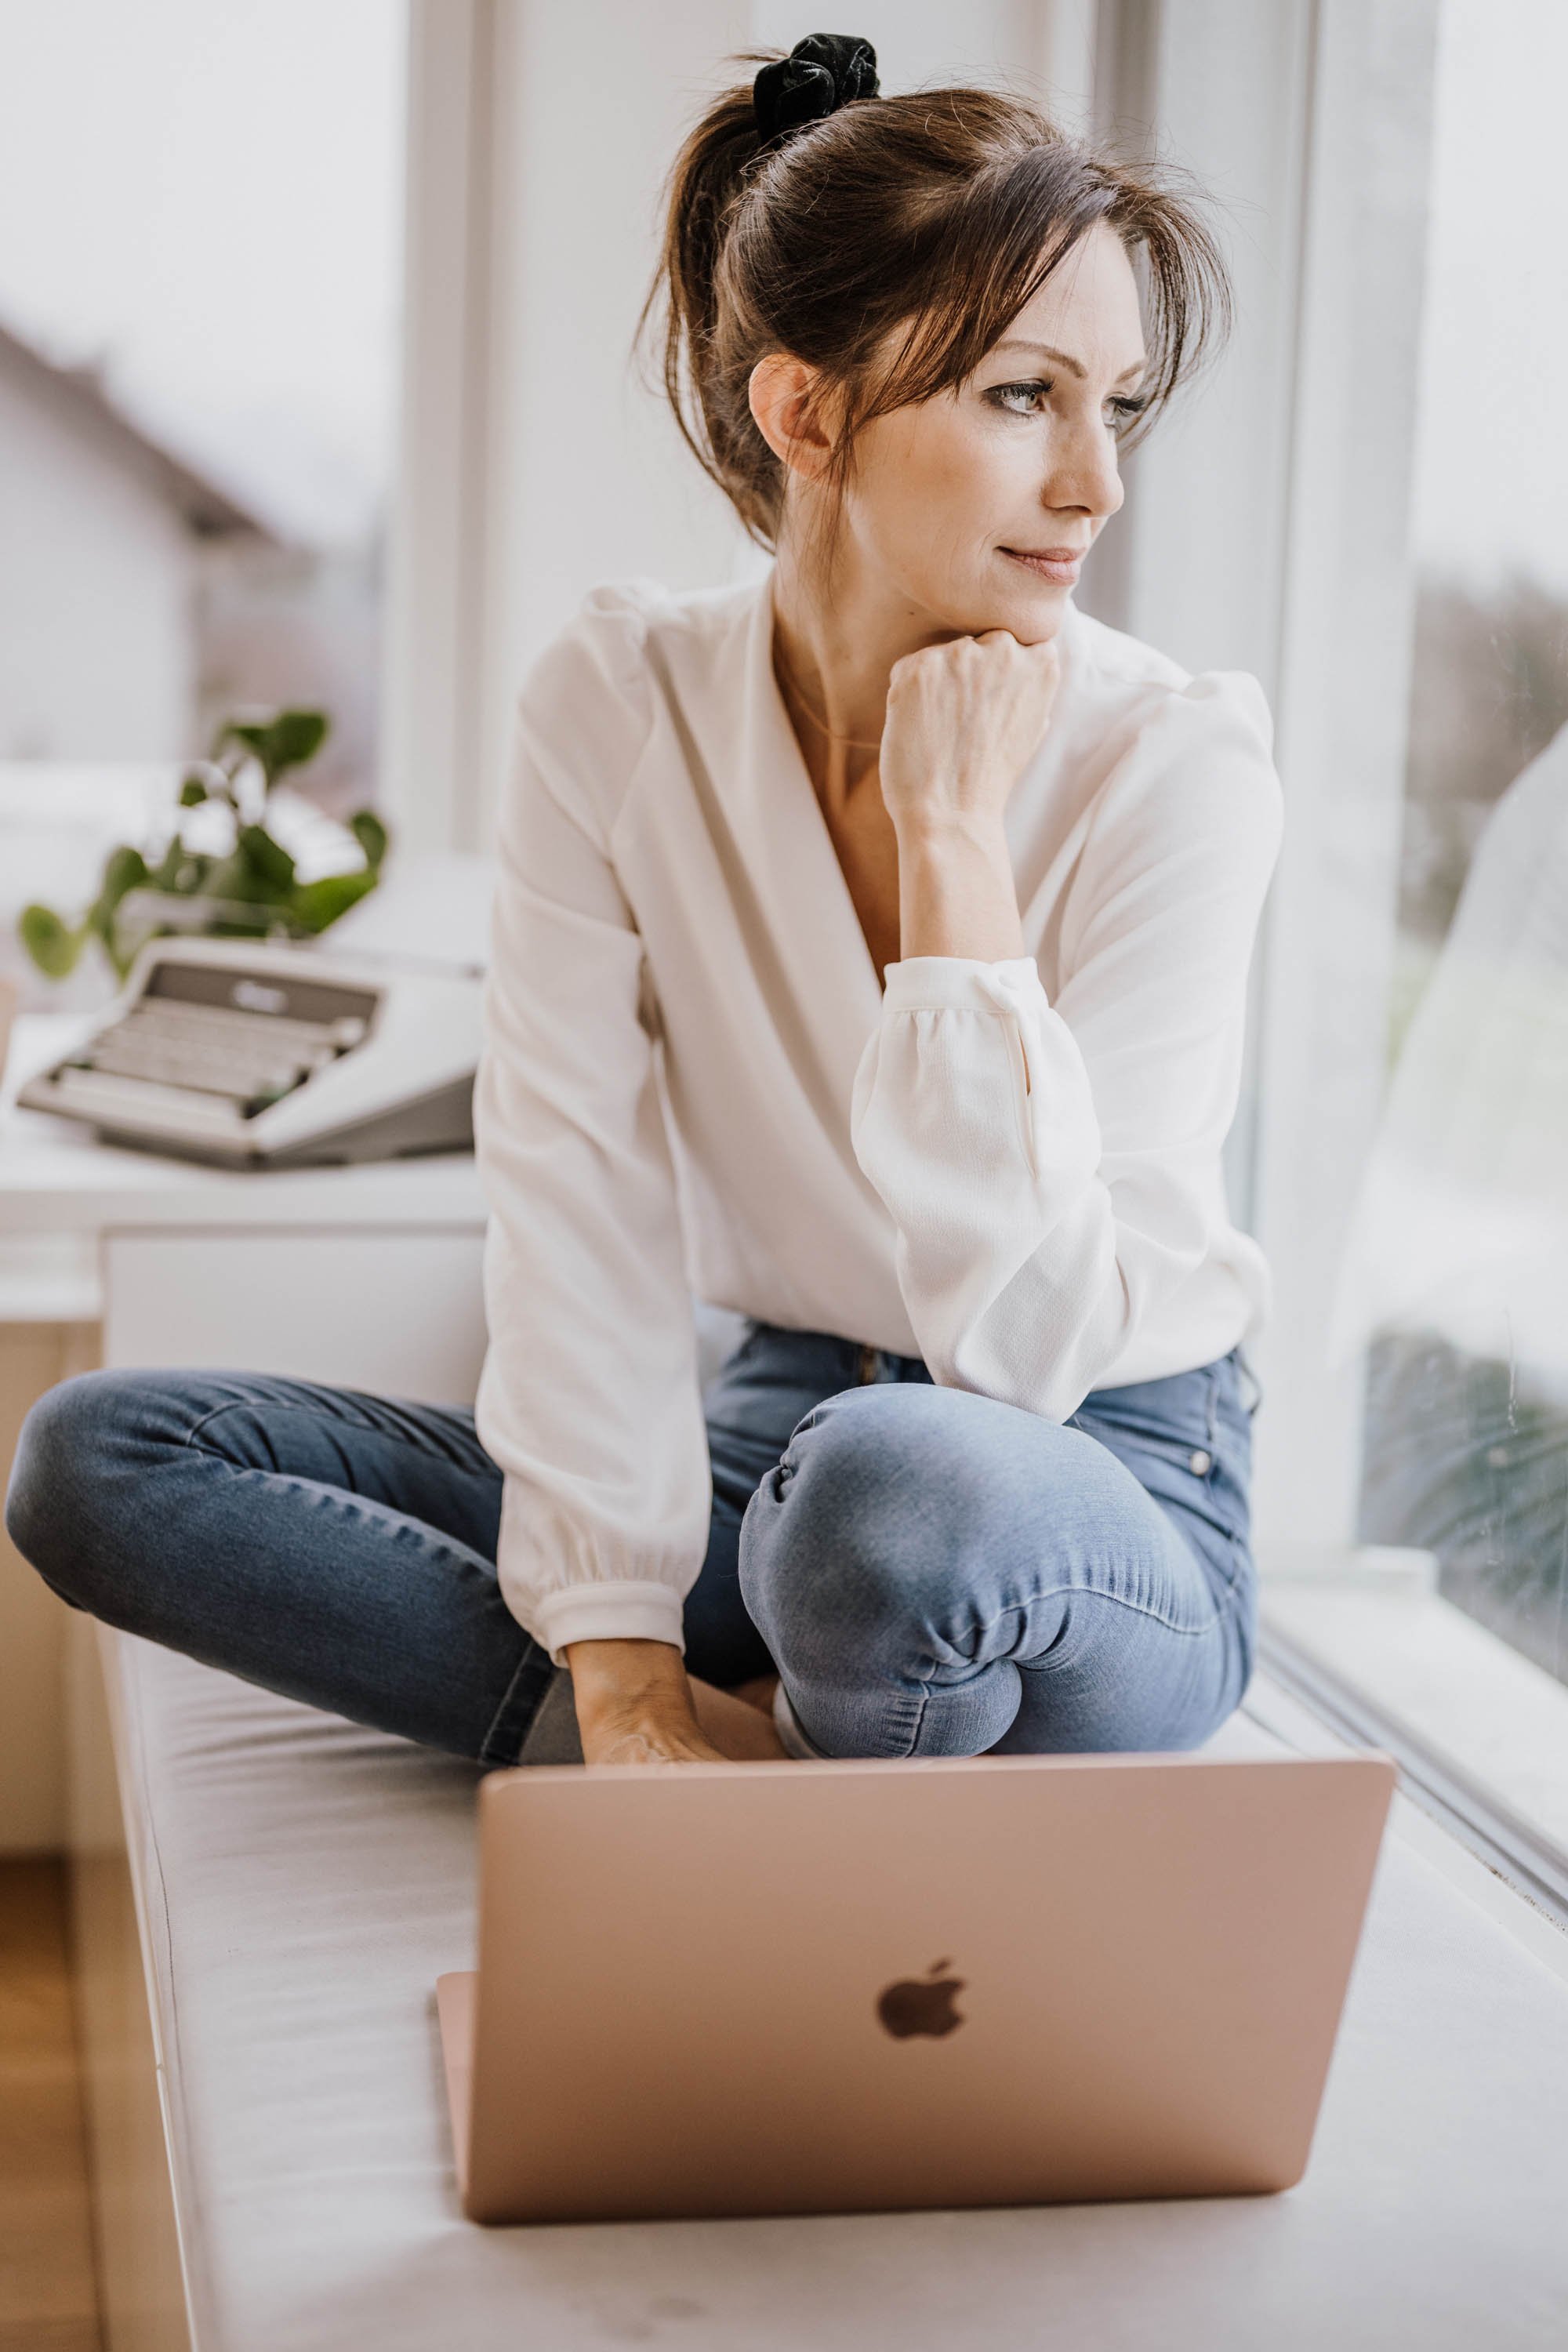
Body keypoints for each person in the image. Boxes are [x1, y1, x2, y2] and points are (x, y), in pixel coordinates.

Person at [5, 34, 1279, 1774]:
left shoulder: (1174, 762)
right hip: (776, 1442)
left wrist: (956, 854)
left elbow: (1037, 1336)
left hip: (1088, 1480)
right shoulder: (621, 702)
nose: (1094, 484)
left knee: (890, 1499)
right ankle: (749, 1763)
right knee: (97, 1459)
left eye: (1113, 405)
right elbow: (577, 1202)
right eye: (1017, 396)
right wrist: (614, 1670)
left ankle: (797, 1759)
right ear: (803, 410)